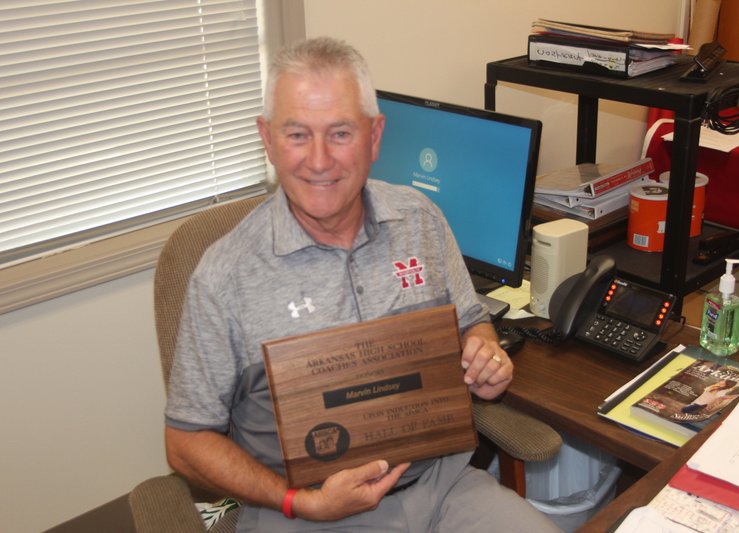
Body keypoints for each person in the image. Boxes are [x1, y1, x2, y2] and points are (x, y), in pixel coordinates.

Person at [164, 36, 560, 532]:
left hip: (442, 488)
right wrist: (298, 503)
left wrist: (484, 356)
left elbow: (471, 324)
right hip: (308, 514)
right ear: (267, 140)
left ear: (375, 137)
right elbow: (185, 443)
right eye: (297, 134)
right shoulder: (224, 277)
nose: (320, 160)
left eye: (341, 133)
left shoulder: (421, 219)